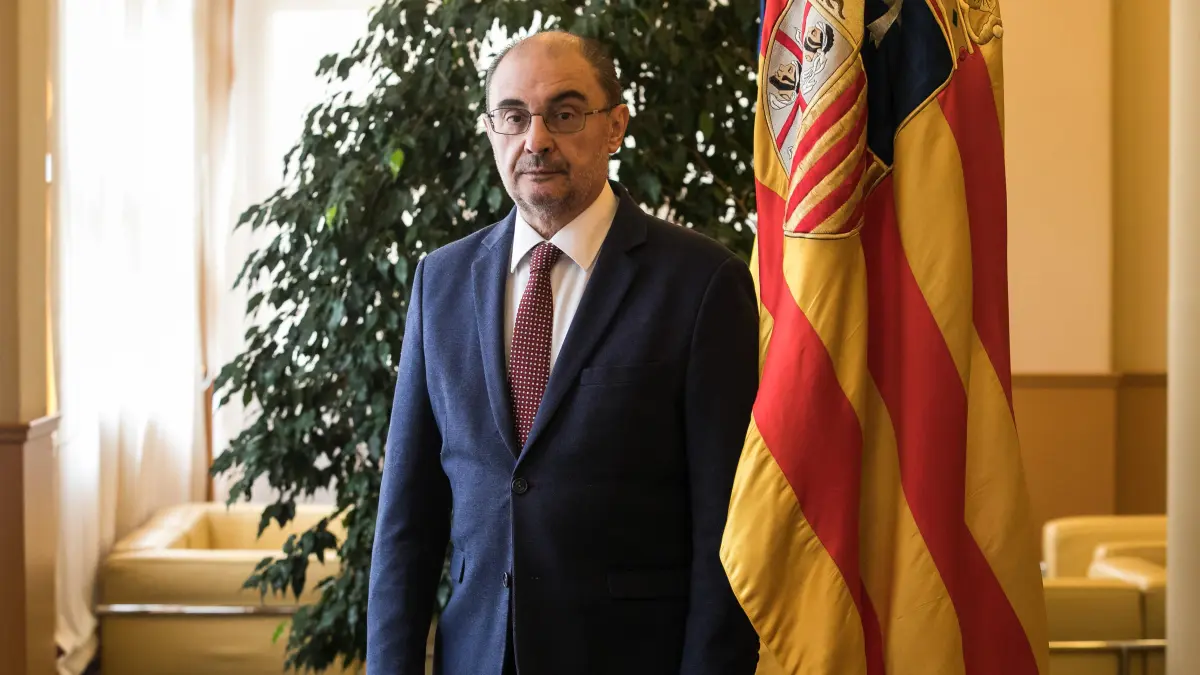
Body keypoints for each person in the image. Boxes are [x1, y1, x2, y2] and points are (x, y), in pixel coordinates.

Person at [366, 29, 760, 675]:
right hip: (476, 658)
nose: (536, 139)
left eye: (566, 113)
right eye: (512, 116)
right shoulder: (441, 280)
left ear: (615, 127)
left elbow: (728, 532)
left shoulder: (701, 282)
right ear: (491, 129)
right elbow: (407, 520)